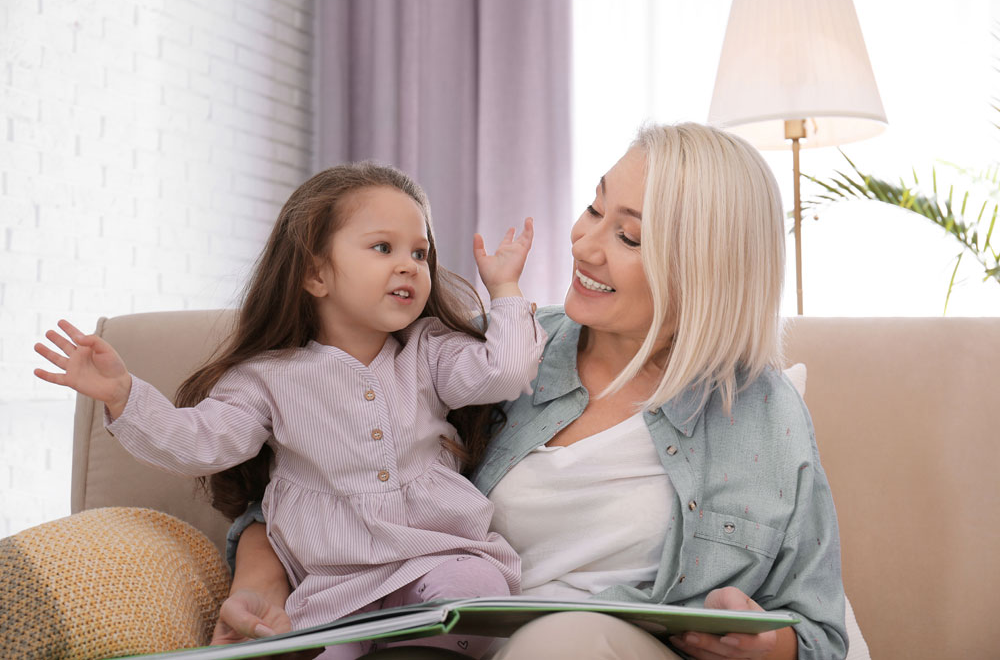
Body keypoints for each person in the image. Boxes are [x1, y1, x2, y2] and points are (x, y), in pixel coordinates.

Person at [205, 123, 849, 660]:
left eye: (628, 236)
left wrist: (773, 649)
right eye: (595, 208)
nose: (584, 243)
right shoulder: (499, 357)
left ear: (706, 274)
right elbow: (330, 485)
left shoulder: (764, 414)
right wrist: (261, 575)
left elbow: (820, 628)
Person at [33, 162, 549, 660]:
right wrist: (125, 396)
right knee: (313, 649)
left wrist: (503, 289)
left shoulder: (430, 352)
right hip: (332, 588)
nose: (408, 265)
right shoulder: (267, 378)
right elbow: (201, 442)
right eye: (383, 247)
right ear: (314, 274)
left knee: (473, 594)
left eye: (420, 252)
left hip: (438, 557)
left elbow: (505, 371)